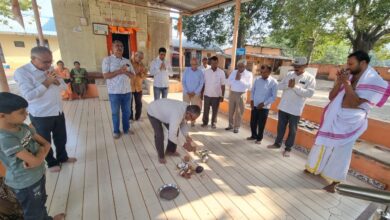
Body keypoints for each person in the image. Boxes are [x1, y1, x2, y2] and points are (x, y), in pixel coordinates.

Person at [305, 51, 390, 193]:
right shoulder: (349, 76)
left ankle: (335, 182)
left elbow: (355, 102)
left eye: (351, 64)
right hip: (336, 115)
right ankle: (315, 167)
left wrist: (346, 83)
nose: (347, 66)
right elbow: (332, 97)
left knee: (342, 151)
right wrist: (339, 82)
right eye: (347, 63)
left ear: (363, 63)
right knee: (323, 144)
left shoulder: (374, 81)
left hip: (351, 122)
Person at [0, 92, 65, 220]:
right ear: (2, 115)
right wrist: (41, 152)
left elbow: (46, 143)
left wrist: (39, 155)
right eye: (21, 112)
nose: (26, 115)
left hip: (37, 174)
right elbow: (38, 156)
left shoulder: (22, 126)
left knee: (40, 203)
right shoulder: (5, 138)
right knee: (33, 213)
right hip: (25, 182)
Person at [14, 46, 76, 172]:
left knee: (61, 137)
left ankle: (62, 157)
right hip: (40, 114)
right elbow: (28, 96)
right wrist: (47, 82)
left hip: (58, 110)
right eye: (45, 62)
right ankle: (51, 162)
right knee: (44, 141)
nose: (49, 64)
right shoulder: (22, 72)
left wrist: (57, 82)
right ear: (33, 59)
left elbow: (63, 87)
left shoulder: (50, 69)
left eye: (50, 61)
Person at [267, 57, 316, 157]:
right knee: (280, 127)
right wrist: (288, 86)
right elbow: (279, 86)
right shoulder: (289, 74)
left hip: (295, 109)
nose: (296, 68)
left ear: (305, 66)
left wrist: (295, 87)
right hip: (284, 106)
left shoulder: (310, 78)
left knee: (292, 130)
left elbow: (309, 94)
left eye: (299, 66)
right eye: (295, 66)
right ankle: (277, 143)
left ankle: (288, 148)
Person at [147, 99, 200, 164]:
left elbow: (183, 124)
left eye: (194, 119)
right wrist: (184, 145)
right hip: (153, 112)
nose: (192, 120)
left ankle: (170, 151)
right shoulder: (177, 114)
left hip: (165, 113)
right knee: (159, 135)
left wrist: (186, 136)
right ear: (188, 113)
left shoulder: (187, 109)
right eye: (192, 118)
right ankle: (161, 156)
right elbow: (172, 136)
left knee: (175, 131)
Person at [102, 40, 135, 139]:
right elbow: (106, 75)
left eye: (121, 46)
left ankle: (126, 129)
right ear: (112, 48)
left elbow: (133, 75)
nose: (119, 48)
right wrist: (119, 71)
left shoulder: (127, 61)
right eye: (117, 46)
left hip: (127, 91)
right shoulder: (107, 60)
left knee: (127, 112)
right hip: (114, 92)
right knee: (115, 112)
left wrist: (125, 72)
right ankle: (116, 131)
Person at [247, 65, 278, 144]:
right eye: (261, 72)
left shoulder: (274, 82)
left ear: (269, 72)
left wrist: (264, 103)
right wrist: (251, 100)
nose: (262, 74)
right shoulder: (257, 80)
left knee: (261, 124)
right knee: (253, 122)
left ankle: (259, 138)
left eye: (264, 72)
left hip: (264, 107)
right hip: (255, 105)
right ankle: (253, 135)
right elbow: (253, 91)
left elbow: (273, 97)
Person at [225, 59, 253, 133]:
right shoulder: (234, 72)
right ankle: (230, 125)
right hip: (233, 93)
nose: (240, 68)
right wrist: (235, 79)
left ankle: (236, 127)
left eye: (242, 66)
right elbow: (228, 82)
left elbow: (249, 86)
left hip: (242, 94)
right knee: (231, 110)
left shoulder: (249, 74)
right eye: (238, 66)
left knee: (239, 111)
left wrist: (240, 80)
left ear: (245, 66)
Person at [201, 56, 226, 129]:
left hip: (216, 95)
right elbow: (204, 83)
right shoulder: (206, 72)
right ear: (210, 63)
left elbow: (223, 85)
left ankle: (213, 123)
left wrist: (222, 96)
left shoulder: (221, 72)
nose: (214, 64)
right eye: (212, 63)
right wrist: (201, 93)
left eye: (215, 63)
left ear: (217, 63)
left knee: (215, 111)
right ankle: (205, 122)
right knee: (206, 110)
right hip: (207, 94)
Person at [182, 57, 204, 127]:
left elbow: (201, 83)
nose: (194, 66)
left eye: (195, 64)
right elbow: (183, 81)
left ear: (197, 64)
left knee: (194, 109)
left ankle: (193, 121)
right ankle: (185, 120)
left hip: (196, 94)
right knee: (185, 107)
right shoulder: (186, 70)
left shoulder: (200, 72)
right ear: (190, 64)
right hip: (186, 93)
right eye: (192, 64)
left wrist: (195, 92)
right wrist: (187, 91)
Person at [130, 51, 148, 121]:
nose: (141, 60)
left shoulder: (142, 65)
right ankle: (130, 118)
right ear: (135, 56)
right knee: (129, 104)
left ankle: (138, 117)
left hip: (138, 87)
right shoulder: (129, 63)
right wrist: (135, 72)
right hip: (129, 87)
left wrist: (141, 73)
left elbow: (144, 76)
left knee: (139, 104)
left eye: (142, 58)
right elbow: (127, 73)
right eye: (139, 58)